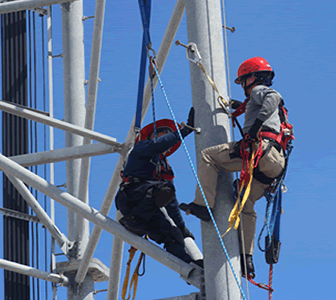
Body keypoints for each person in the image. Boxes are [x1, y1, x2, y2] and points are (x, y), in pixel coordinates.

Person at [180, 57, 292, 277]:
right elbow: (257, 106)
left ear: (253, 77)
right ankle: (247, 258)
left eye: (243, 81)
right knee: (245, 202)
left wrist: (255, 128)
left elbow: (273, 97)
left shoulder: (261, 91)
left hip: (260, 151)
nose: (243, 86)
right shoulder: (259, 104)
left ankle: (203, 205)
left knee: (209, 156)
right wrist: (236, 106)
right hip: (275, 164)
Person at [115, 107, 202, 266]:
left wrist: (182, 228)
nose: (167, 140)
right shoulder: (141, 148)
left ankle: (190, 265)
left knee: (172, 234)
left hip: (148, 204)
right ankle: (133, 220)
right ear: (152, 137)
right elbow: (158, 145)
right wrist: (185, 131)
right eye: (164, 136)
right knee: (163, 190)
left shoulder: (164, 168)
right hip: (131, 196)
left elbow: (171, 202)